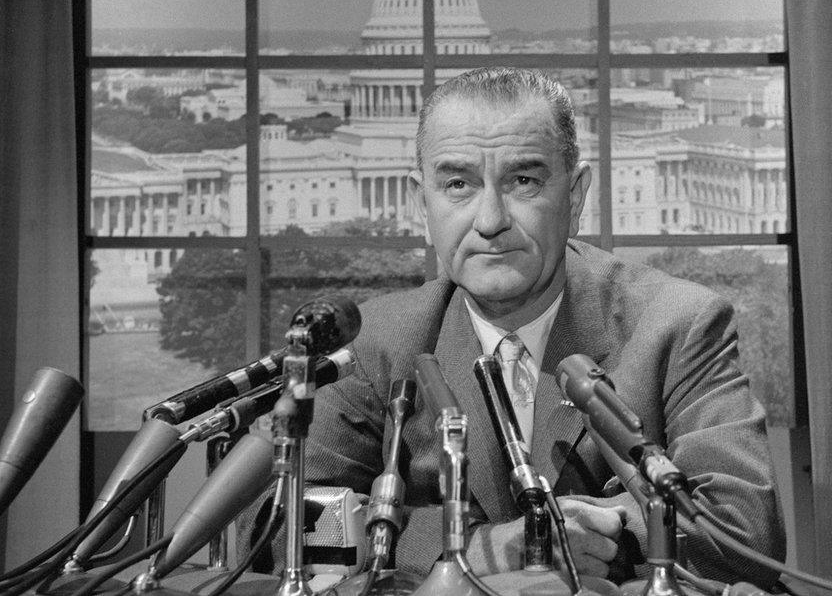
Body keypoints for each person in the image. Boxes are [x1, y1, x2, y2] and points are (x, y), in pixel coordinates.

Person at [240, 66, 785, 588]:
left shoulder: (679, 324)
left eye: (522, 180)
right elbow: (279, 532)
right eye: (458, 184)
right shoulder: (377, 344)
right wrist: (479, 551)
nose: (490, 220)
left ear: (575, 197)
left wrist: (600, 541)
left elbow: (744, 536)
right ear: (421, 205)